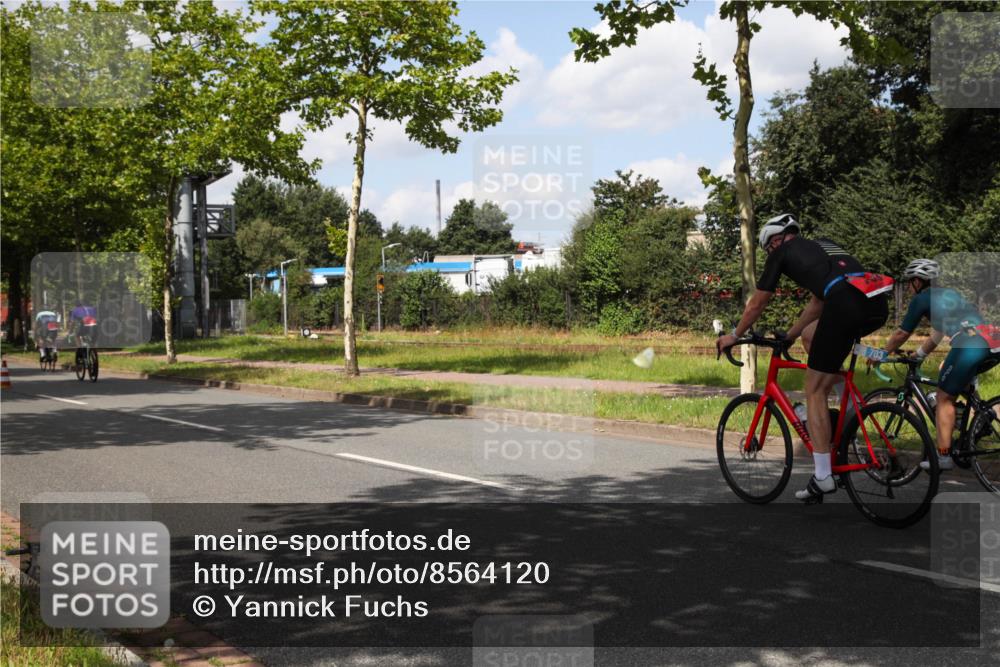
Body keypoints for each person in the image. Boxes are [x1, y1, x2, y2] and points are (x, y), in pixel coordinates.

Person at [716, 214, 891, 502]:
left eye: (769, 248)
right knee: (812, 335)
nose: (771, 253)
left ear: (775, 241)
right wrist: (793, 334)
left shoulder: (781, 253)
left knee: (813, 388)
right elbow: (818, 302)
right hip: (874, 303)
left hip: (845, 304)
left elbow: (758, 302)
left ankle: (823, 475)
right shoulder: (824, 246)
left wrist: (734, 335)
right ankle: (850, 408)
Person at [880, 259, 999, 471]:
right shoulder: (949, 295)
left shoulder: (922, 299)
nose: (908, 287)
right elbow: (936, 336)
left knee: (944, 398)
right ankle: (981, 417)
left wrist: (881, 353)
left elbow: (901, 333)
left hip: (969, 345)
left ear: (918, 281)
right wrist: (918, 355)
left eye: (909, 282)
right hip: (990, 341)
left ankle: (943, 456)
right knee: (947, 370)